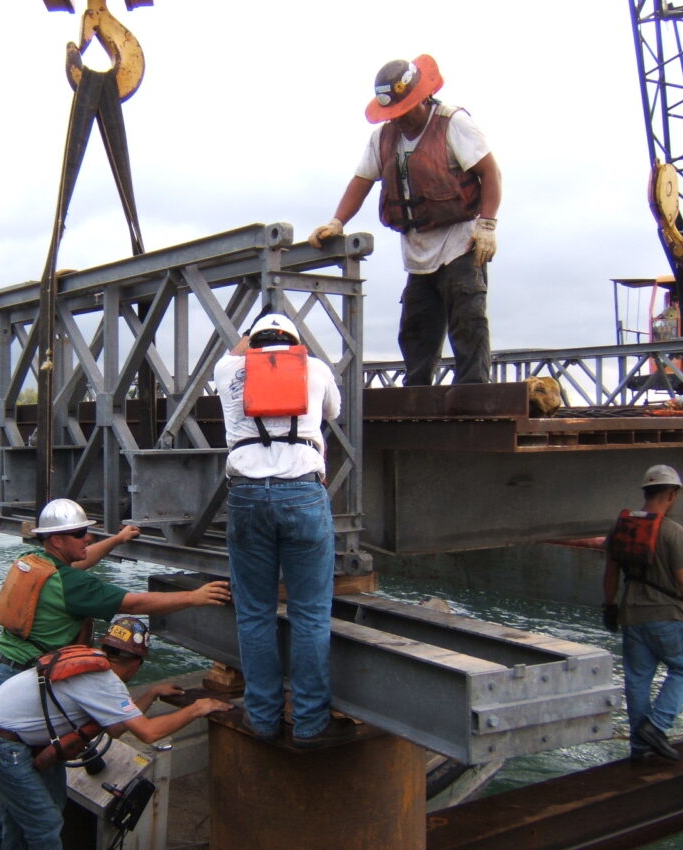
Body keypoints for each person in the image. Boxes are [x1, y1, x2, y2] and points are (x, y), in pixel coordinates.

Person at [309, 54, 502, 386]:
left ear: (422, 97)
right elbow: (362, 181)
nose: (398, 119)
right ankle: (417, 403)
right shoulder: (383, 138)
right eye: (392, 113)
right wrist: (337, 221)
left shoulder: (452, 124)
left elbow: (490, 172)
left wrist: (486, 225)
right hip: (417, 250)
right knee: (416, 331)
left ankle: (474, 399)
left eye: (404, 110)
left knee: (467, 324)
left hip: (460, 241)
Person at [0, 617, 232, 849]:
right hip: (0, 744)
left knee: (26, 817)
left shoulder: (92, 665)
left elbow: (117, 727)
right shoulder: (105, 683)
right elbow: (149, 733)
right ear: (137, 663)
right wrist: (198, 708)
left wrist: (151, 694)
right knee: (45, 824)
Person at [211, 313, 348, 747]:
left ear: (252, 340)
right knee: (309, 613)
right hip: (303, 493)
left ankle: (264, 719)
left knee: (254, 614)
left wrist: (252, 340)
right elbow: (334, 411)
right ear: (294, 340)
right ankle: (308, 722)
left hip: (247, 495)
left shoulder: (229, 368)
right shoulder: (316, 369)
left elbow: (237, 350)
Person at [0, 498, 230, 693]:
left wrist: (117, 539)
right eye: (80, 533)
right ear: (57, 540)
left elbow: (78, 562)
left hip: (3, 665)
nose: (88, 537)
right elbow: (133, 604)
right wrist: (194, 597)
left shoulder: (32, 561)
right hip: (26, 677)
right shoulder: (74, 586)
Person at [602, 464, 683, 761]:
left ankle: (640, 747)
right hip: (665, 615)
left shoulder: (621, 526)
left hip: (631, 615)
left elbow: (611, 572)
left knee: (638, 679)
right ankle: (658, 725)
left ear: (646, 491)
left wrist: (610, 606)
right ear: (672, 494)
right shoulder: (672, 531)